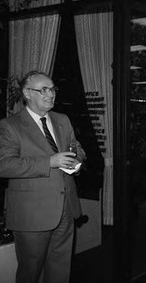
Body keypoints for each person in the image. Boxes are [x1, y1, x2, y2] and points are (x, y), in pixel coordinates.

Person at [0, 70, 85, 283]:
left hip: (65, 209)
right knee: (30, 272)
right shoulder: (10, 125)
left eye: (53, 89)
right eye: (43, 90)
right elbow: (4, 165)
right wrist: (49, 162)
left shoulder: (62, 119)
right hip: (32, 213)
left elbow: (77, 149)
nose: (51, 94)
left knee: (60, 270)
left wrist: (76, 161)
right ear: (27, 93)